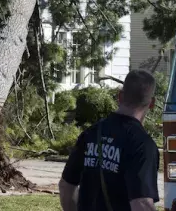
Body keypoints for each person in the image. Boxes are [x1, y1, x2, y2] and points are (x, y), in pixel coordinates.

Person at [59, 69, 159, 211]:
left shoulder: (91, 133)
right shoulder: (142, 144)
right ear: (152, 103)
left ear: (120, 96)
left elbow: (66, 186)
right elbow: (141, 203)